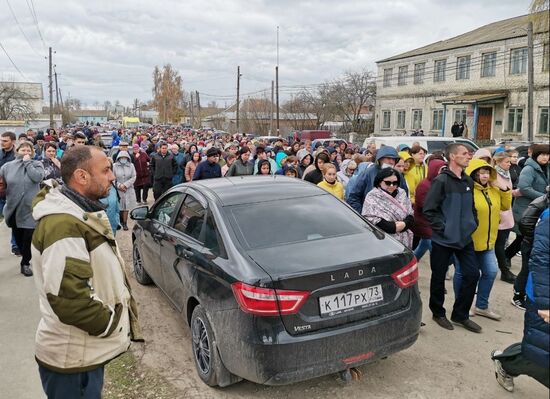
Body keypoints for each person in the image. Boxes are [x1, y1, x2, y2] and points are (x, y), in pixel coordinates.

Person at [31, 145, 143, 398]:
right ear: (82, 177)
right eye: (106, 170)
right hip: (72, 361)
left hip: (82, 353)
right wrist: (112, 323)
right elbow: (69, 300)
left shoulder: (80, 215)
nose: (112, 177)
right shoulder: (64, 225)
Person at [423, 143, 482, 333]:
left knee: (473, 274)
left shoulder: (468, 181)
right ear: (453, 157)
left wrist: (472, 222)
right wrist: (445, 228)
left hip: (464, 239)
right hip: (443, 239)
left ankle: (460, 314)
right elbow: (429, 210)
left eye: (468, 153)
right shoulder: (441, 181)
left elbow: (472, 207)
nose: (468, 156)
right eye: (464, 153)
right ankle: (438, 312)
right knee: (439, 277)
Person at [491, 208, 549, 392]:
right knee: (538, 352)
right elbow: (540, 259)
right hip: (544, 299)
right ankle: (506, 365)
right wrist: (545, 304)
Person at [453, 159, 511, 321]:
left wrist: (504, 189)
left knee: (491, 272)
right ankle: (461, 305)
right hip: (467, 242)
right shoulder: (467, 190)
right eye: (480, 173)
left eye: (487, 172)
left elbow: (505, 207)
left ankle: (481, 306)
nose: (484, 176)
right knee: (462, 274)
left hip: (488, 241)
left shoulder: (493, 190)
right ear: (473, 174)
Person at [510, 144, 549, 307]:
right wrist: (544, 197)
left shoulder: (546, 169)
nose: (546, 158)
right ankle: (518, 294)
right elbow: (524, 188)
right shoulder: (529, 169)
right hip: (528, 211)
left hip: (541, 214)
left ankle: (506, 257)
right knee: (527, 256)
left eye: (548, 155)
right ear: (536, 155)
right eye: (543, 155)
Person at [0, 141, 44, 276]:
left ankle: (25, 263)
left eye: (28, 150)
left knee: (28, 237)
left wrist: (27, 163)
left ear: (32, 152)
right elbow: (3, 185)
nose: (26, 152)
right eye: (23, 150)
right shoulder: (7, 167)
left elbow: (37, 178)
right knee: (18, 237)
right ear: (17, 151)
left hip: (30, 209)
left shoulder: (37, 164)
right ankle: (24, 255)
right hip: (14, 208)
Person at [362, 168, 414, 248]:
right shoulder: (372, 196)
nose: (392, 186)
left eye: (395, 183)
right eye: (387, 183)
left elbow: (410, 214)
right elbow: (369, 217)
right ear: (379, 182)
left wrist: (404, 224)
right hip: (383, 240)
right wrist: (392, 227)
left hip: (404, 238)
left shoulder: (402, 193)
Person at [347, 146, 407, 214]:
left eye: (393, 159)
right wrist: (362, 215)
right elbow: (354, 197)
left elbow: (405, 198)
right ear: (380, 159)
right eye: (388, 158)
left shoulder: (398, 176)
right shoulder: (368, 173)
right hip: (370, 218)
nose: (391, 161)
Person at [412, 159, 446, 261]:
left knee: (423, 245)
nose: (443, 172)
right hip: (424, 222)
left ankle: (411, 262)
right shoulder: (424, 185)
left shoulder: (441, 183)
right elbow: (425, 206)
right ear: (434, 170)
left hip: (434, 221)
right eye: (441, 170)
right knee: (435, 249)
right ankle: (440, 269)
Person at [492, 151, 517, 284]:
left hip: (507, 213)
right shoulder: (494, 175)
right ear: (498, 162)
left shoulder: (506, 174)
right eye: (507, 162)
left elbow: (507, 191)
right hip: (499, 215)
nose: (509, 164)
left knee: (501, 244)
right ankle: (504, 271)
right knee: (499, 245)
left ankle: (504, 269)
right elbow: (498, 193)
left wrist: (516, 192)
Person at [113, 151, 137, 231]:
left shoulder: (131, 166)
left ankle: (125, 222)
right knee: (119, 206)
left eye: (125, 157)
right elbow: (112, 178)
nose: (123, 159)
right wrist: (119, 185)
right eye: (122, 157)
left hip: (128, 189)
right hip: (118, 189)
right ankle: (119, 221)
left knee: (126, 207)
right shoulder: (114, 166)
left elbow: (134, 177)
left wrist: (126, 185)